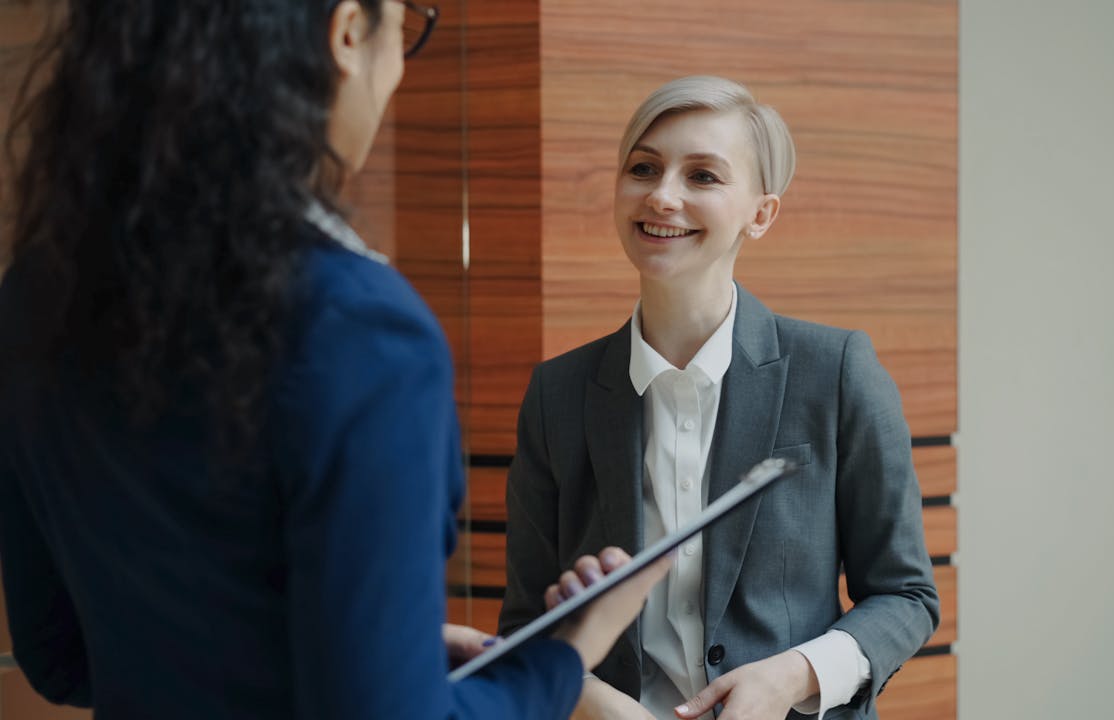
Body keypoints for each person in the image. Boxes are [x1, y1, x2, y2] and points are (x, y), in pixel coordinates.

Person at [0, 2, 667, 718]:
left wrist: (378, 652)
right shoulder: (363, 331)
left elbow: (61, 654)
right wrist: (564, 654)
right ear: (348, 31)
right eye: (406, 25)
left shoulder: (36, 293)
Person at [500, 75, 940, 720]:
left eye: (702, 176)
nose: (662, 196)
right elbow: (526, 627)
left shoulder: (837, 370)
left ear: (761, 214)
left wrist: (792, 676)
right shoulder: (556, 394)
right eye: (643, 168)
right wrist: (603, 708)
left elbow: (906, 597)